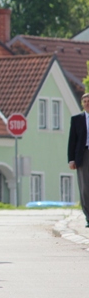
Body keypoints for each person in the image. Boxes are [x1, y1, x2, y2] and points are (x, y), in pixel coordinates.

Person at [68, 93, 89, 227]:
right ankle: (88, 216)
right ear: (82, 104)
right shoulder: (77, 119)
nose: (87, 103)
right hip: (83, 155)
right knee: (85, 187)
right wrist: (71, 159)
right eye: (85, 101)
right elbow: (72, 141)